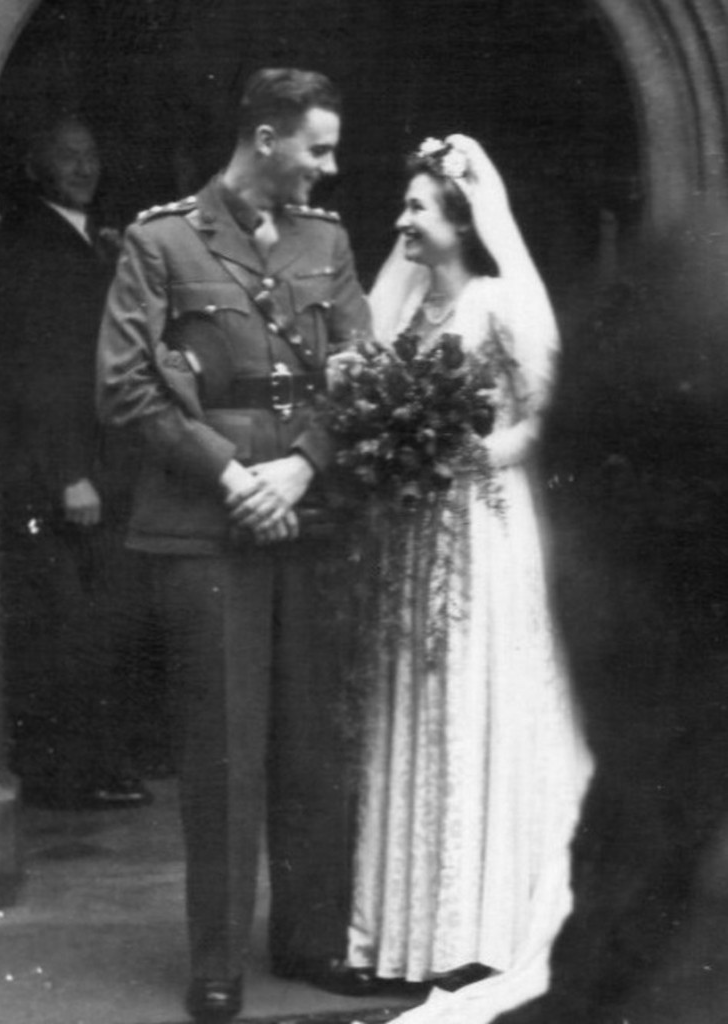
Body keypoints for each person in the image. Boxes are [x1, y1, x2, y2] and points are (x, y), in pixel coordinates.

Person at [95, 68, 375, 1020]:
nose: (329, 170)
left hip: (308, 515)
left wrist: (299, 468)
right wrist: (232, 475)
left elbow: (358, 375)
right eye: (318, 148)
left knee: (311, 746)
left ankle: (309, 942)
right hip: (204, 525)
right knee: (220, 750)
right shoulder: (160, 239)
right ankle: (215, 962)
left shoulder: (325, 242)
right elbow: (127, 385)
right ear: (265, 138)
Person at [343, 135, 593, 1023]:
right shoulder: (404, 316)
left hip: (487, 530)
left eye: (417, 208)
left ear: (460, 221)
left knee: (480, 700)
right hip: (412, 535)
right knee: (414, 703)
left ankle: (482, 925)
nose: (401, 222)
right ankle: (413, 933)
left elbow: (544, 411)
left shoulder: (495, 303)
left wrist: (469, 453)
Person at [0, 113, 151, 810]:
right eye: (65, 156)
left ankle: (106, 760)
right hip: (70, 471)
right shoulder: (27, 246)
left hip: (113, 461)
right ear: (36, 168)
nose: (82, 167)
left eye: (89, 154)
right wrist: (66, 474)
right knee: (74, 627)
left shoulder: (100, 242)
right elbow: (35, 369)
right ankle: (78, 772)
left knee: (108, 618)